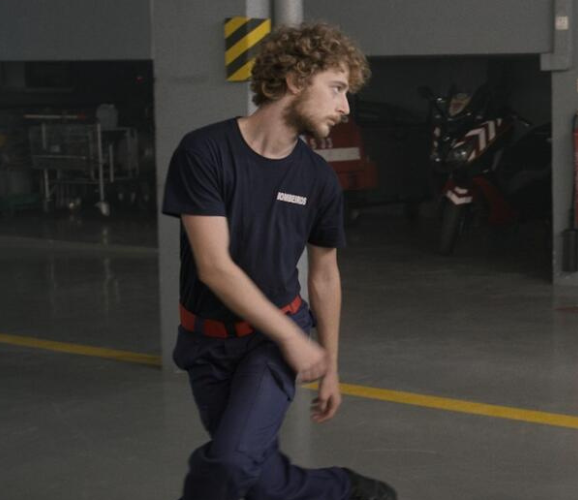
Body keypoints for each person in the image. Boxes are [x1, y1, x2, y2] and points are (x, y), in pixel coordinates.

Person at [161, 22, 395, 500]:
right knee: (254, 472)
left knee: (229, 463)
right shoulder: (204, 152)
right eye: (336, 89)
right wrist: (296, 340)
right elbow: (214, 266)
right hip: (205, 343)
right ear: (294, 80)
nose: (345, 107)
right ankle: (342, 490)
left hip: (270, 342)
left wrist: (327, 361)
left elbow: (325, 275)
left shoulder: (318, 180)